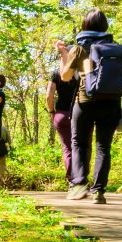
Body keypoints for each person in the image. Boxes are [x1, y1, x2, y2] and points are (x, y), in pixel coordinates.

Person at [64, 9, 122, 204]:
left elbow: (66, 76)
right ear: (105, 26)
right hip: (111, 102)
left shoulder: (79, 48)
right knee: (103, 147)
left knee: (79, 144)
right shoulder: (118, 48)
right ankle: (98, 191)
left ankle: (79, 184)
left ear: (85, 25)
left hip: (85, 102)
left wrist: (65, 57)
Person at [44, 39, 81, 190]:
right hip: (78, 114)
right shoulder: (81, 74)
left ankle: (72, 180)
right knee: (79, 146)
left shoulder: (55, 74)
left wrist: (52, 111)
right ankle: (81, 178)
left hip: (61, 115)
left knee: (67, 148)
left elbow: (49, 96)